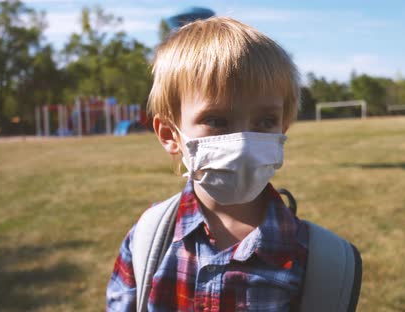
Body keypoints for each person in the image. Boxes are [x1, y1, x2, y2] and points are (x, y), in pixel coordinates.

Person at [107, 17, 357, 311]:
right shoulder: (148, 240)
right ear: (169, 134)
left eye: (265, 121)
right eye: (216, 120)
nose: (243, 142)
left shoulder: (317, 260)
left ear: (282, 131)